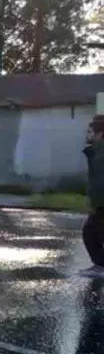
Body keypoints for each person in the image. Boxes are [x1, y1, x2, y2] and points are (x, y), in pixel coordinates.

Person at [81, 116, 104, 277]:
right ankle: (100, 265)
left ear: (100, 134)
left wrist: (95, 203)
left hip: (102, 203)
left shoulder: (99, 154)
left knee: (90, 232)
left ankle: (101, 266)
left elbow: (99, 182)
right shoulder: (96, 152)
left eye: (90, 132)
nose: (86, 135)